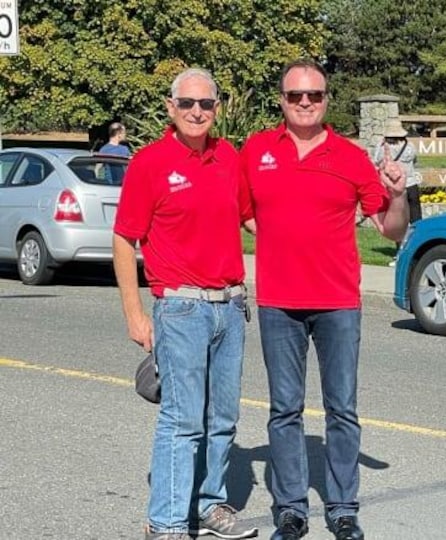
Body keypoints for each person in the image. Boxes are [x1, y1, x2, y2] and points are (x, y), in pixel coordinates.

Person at [238, 58, 408, 540]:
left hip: (337, 303)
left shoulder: (351, 157)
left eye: (314, 95)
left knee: (342, 410)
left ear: (327, 99)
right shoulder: (256, 152)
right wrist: (280, 242)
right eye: (296, 96)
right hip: (278, 303)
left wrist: (397, 195)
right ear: (282, 101)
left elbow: (392, 230)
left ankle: (342, 508)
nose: (305, 102)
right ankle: (290, 509)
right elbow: (241, 214)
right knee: (284, 410)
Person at [113, 67, 257, 540]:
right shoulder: (150, 163)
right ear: (171, 109)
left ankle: (210, 504)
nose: (198, 112)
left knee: (223, 417)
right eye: (188, 104)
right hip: (181, 308)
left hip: (230, 307)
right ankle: (168, 522)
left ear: (217, 109)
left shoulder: (228, 158)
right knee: (182, 418)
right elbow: (123, 239)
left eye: (207, 104)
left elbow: (252, 219)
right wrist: (134, 314)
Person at [373, 119, 421, 267]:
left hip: (395, 189)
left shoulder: (384, 147)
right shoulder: (410, 146)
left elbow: (376, 161)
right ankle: (417, 252)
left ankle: (400, 253)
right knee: (416, 221)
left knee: (399, 224)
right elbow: (415, 161)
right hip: (412, 185)